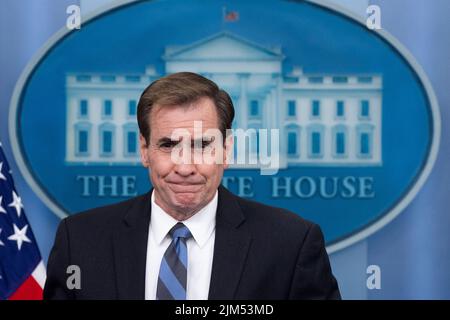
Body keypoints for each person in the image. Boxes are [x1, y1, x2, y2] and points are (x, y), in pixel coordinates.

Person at [44, 72, 340, 300]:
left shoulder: (291, 245)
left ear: (227, 150)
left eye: (202, 145)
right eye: (168, 145)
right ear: (144, 150)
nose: (185, 167)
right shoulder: (80, 241)